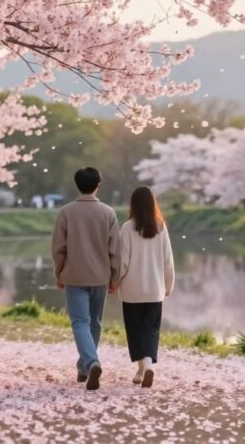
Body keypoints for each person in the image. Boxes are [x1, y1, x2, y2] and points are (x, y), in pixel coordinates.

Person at [51, 167, 120, 391]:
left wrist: (59, 272)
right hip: (100, 277)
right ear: (98, 185)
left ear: (77, 184)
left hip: (75, 276)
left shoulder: (66, 212)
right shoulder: (108, 213)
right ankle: (84, 367)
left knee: (80, 322)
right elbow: (114, 250)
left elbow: (58, 248)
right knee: (95, 322)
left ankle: (90, 363)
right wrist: (114, 277)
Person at [118, 186, 174, 388]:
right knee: (150, 329)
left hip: (132, 290)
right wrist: (169, 284)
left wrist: (115, 282)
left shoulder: (127, 228)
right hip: (154, 289)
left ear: (133, 205)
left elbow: (122, 261)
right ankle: (146, 367)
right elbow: (168, 260)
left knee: (134, 330)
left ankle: (142, 368)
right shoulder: (160, 227)